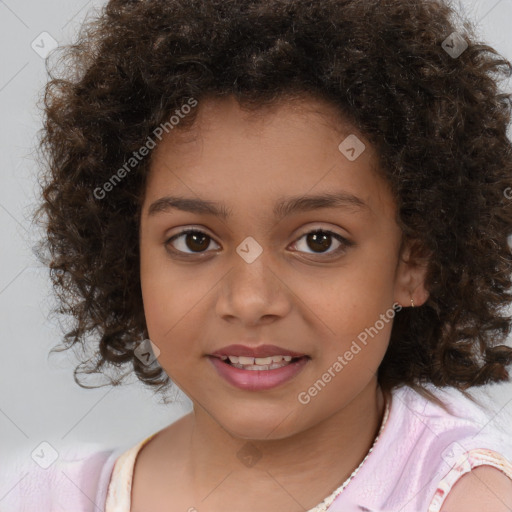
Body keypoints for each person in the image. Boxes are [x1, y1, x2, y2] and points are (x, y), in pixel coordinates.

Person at [3, 0, 512, 510]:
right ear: (127, 255)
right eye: (194, 240)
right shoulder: (45, 495)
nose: (250, 301)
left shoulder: (469, 499)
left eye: (318, 240)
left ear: (414, 263)